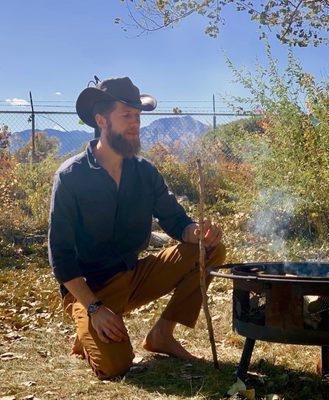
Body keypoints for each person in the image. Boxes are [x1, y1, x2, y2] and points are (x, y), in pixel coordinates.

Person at [48, 76, 226, 380]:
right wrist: (93, 308)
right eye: (126, 116)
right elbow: (61, 257)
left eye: (138, 116)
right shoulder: (71, 176)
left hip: (133, 275)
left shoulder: (144, 171)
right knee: (116, 367)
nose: (135, 124)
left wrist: (196, 232)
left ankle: (162, 335)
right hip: (91, 289)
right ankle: (88, 328)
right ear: (102, 120)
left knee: (210, 250)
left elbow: (176, 221)